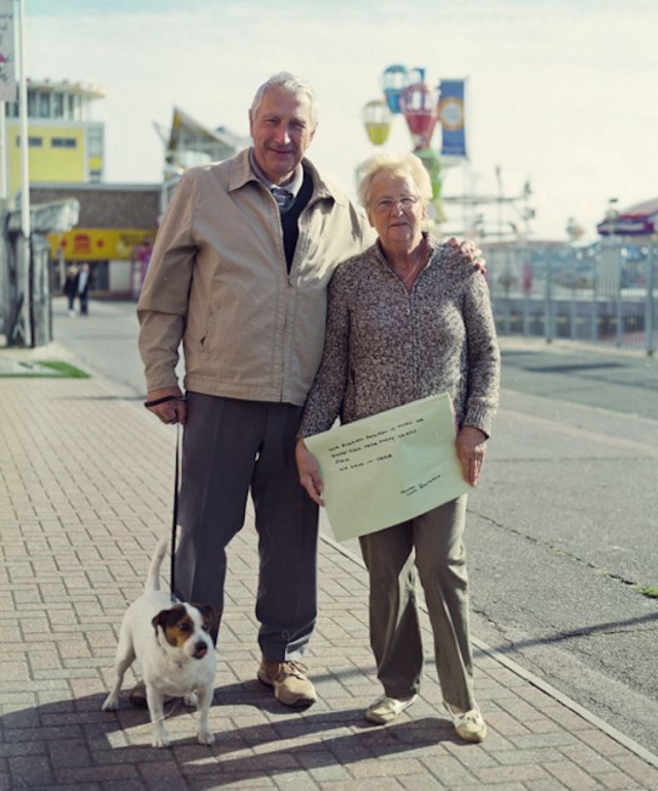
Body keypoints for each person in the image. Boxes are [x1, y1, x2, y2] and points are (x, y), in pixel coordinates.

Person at [136, 73, 481, 710]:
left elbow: (395, 246)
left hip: (303, 408)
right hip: (220, 391)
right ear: (251, 121)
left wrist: (453, 248)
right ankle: (175, 661)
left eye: (296, 125)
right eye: (272, 121)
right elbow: (161, 296)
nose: (282, 135)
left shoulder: (340, 208)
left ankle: (284, 657)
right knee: (201, 535)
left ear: (312, 134)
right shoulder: (202, 189)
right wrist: (162, 379)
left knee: (292, 539)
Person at [295, 153, 500, 743]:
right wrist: (308, 441)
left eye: (407, 198)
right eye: (383, 201)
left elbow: (485, 355)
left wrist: (476, 427)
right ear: (369, 212)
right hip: (373, 453)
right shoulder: (351, 279)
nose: (397, 210)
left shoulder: (459, 268)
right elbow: (333, 370)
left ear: (426, 203)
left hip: (441, 450)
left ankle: (462, 700)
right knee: (386, 575)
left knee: (440, 566)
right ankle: (396, 688)